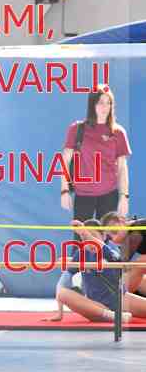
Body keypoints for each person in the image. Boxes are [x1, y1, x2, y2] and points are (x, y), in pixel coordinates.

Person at [48, 219, 146, 323]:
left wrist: (86, 234)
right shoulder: (81, 254)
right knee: (62, 293)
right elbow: (62, 283)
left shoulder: (111, 250)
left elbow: (111, 255)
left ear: (103, 236)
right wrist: (60, 313)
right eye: (84, 239)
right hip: (97, 306)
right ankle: (113, 316)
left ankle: (114, 315)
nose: (89, 242)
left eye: (93, 236)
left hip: (120, 300)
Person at [60, 86, 131, 221]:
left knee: (106, 235)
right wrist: (64, 191)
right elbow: (65, 161)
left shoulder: (118, 132)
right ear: (92, 104)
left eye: (108, 103)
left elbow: (122, 167)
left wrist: (124, 196)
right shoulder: (77, 129)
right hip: (83, 195)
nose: (105, 107)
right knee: (82, 234)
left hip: (109, 195)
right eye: (101, 102)